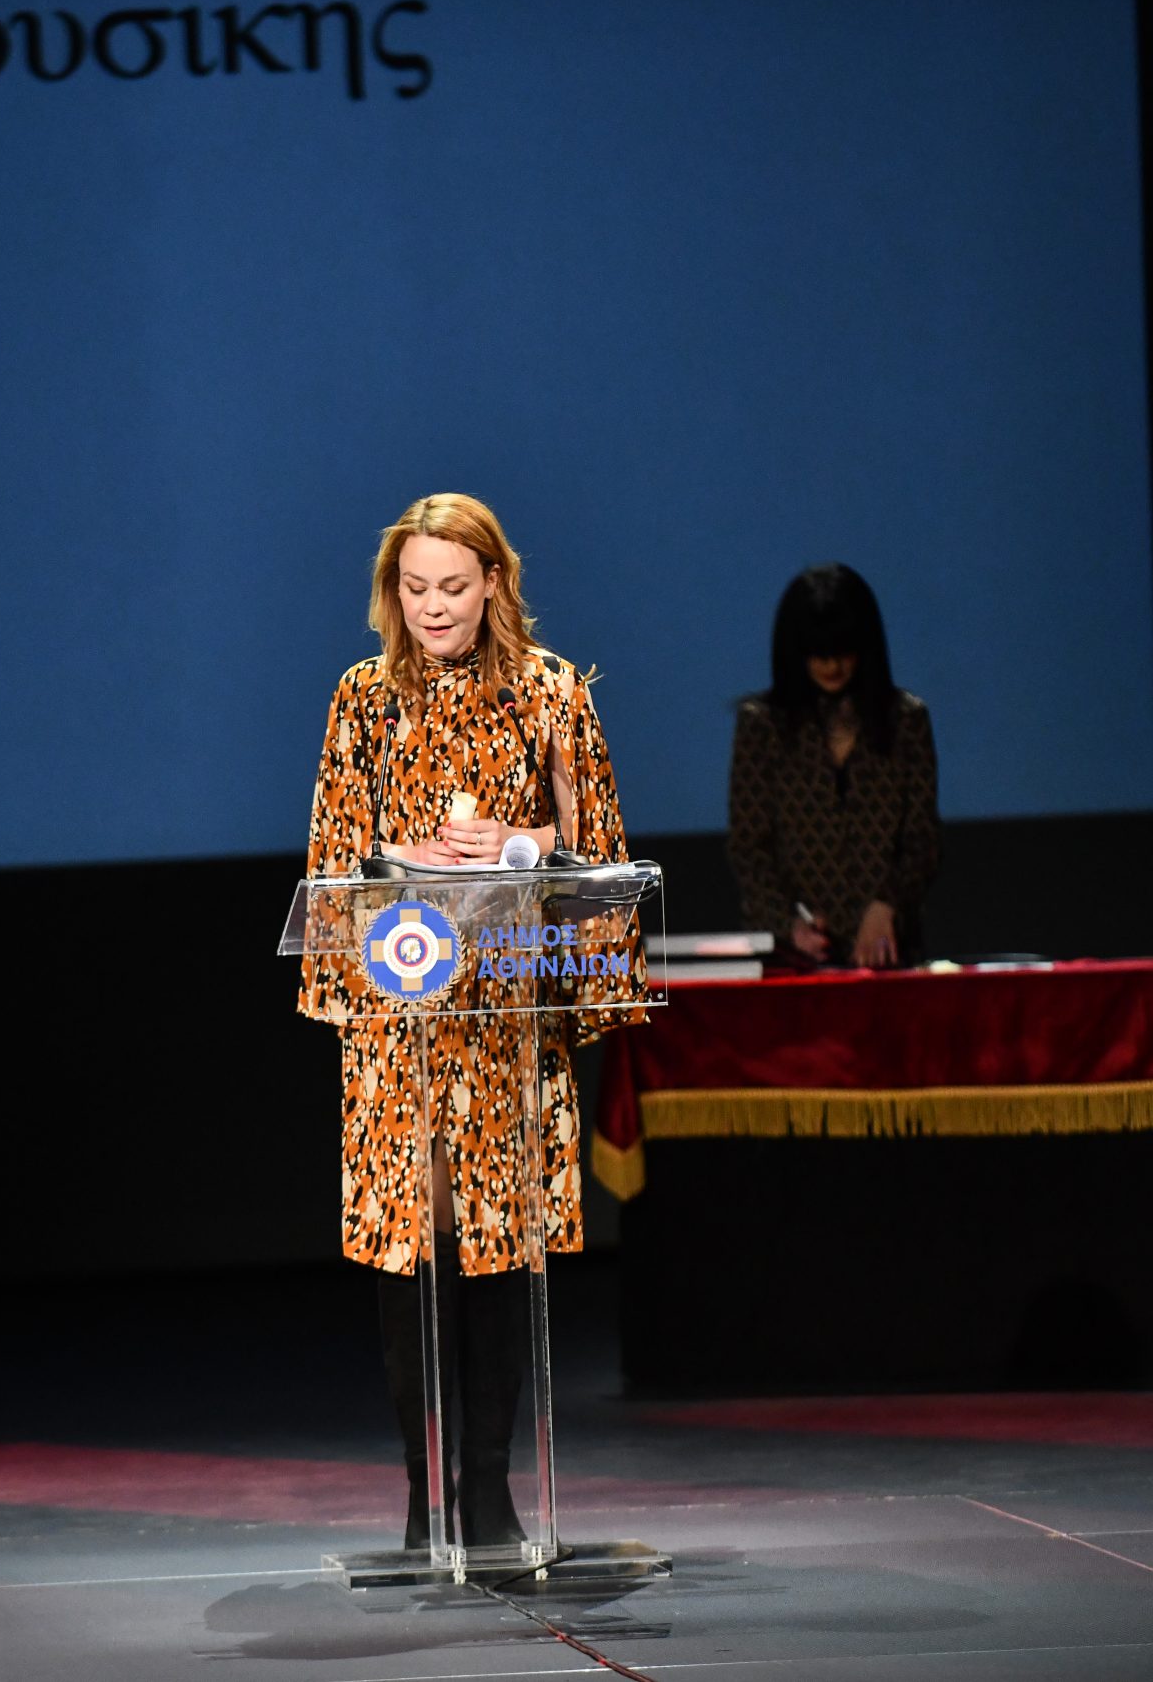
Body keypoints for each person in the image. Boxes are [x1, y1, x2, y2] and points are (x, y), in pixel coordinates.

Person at [297, 492, 644, 1551]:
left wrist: (516, 847)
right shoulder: (363, 697)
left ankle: (487, 1484)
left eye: (452, 585)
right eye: (414, 588)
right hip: (403, 1012)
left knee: (499, 1239)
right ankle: (424, 1490)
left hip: (504, 1008)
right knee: (415, 1239)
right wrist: (395, 860)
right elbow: (333, 855)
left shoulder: (550, 691)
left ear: (494, 582)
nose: (434, 606)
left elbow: (598, 852)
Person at [728, 563, 939, 966]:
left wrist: (886, 905)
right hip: (795, 957)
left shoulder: (905, 720)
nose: (832, 665)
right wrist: (789, 923)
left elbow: (923, 839)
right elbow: (750, 847)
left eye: (843, 650)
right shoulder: (763, 726)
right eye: (818, 652)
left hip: (888, 951)